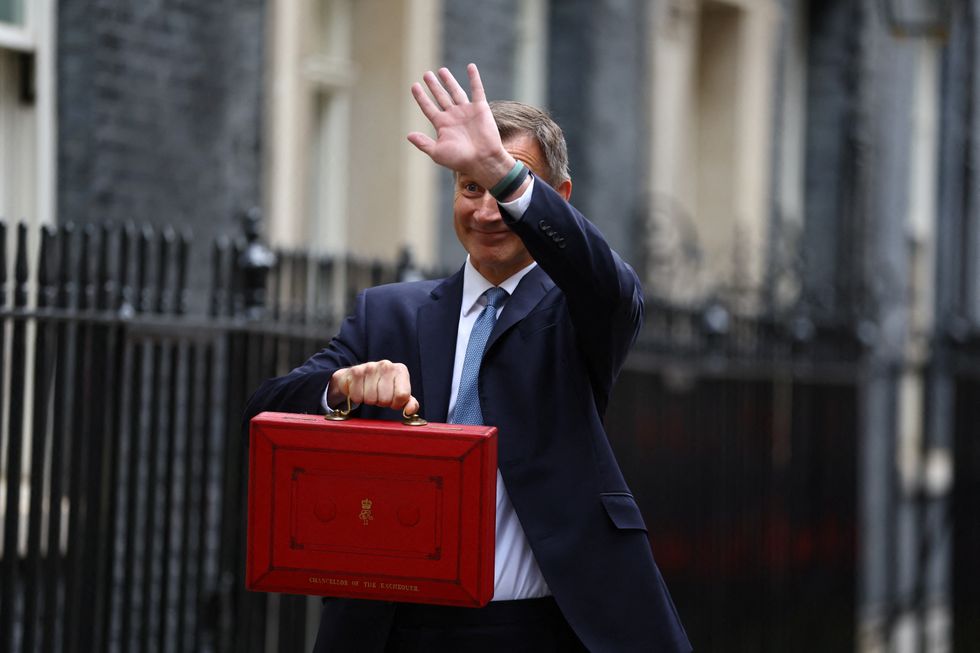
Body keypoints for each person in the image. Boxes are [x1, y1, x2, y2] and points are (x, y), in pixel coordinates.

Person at [244, 63, 691, 653]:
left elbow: (607, 281)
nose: (485, 211)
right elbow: (264, 411)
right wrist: (342, 388)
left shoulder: (581, 310)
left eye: (503, 185)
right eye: (469, 186)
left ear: (556, 197)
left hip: (537, 628)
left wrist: (504, 176)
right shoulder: (388, 313)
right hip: (396, 629)